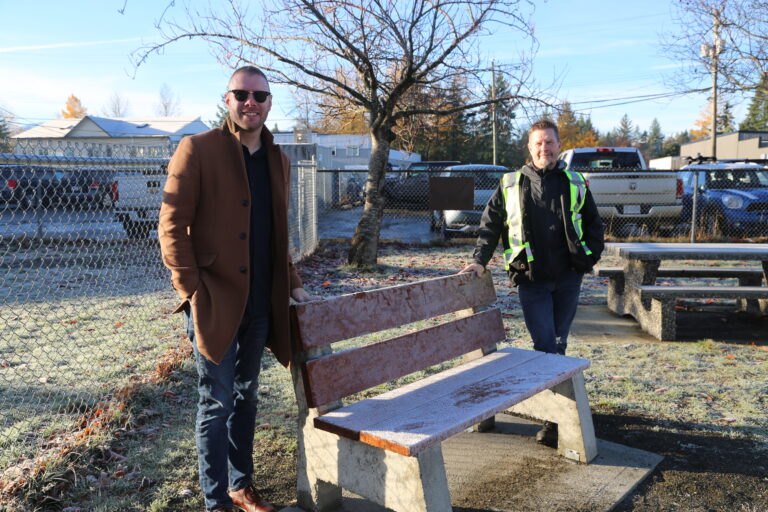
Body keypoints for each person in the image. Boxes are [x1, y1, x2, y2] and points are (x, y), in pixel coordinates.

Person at [159, 65, 313, 512]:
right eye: (242, 94)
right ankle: (215, 501)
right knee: (216, 402)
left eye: (260, 96)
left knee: (247, 398)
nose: (251, 103)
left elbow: (276, 234)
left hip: (263, 301)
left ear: (269, 103)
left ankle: (240, 485)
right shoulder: (197, 149)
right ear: (227, 99)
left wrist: (296, 285)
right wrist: (191, 289)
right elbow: (171, 227)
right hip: (216, 302)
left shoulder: (278, 160)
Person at [460, 118, 604, 447]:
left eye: (550, 142)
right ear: (530, 147)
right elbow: (490, 225)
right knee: (545, 346)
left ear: (558, 145)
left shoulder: (575, 181)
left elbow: (595, 224)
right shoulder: (511, 184)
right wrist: (478, 261)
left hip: (569, 279)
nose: (544, 148)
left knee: (559, 344)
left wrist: (589, 258)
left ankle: (556, 418)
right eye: (538, 143)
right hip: (532, 281)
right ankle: (553, 419)